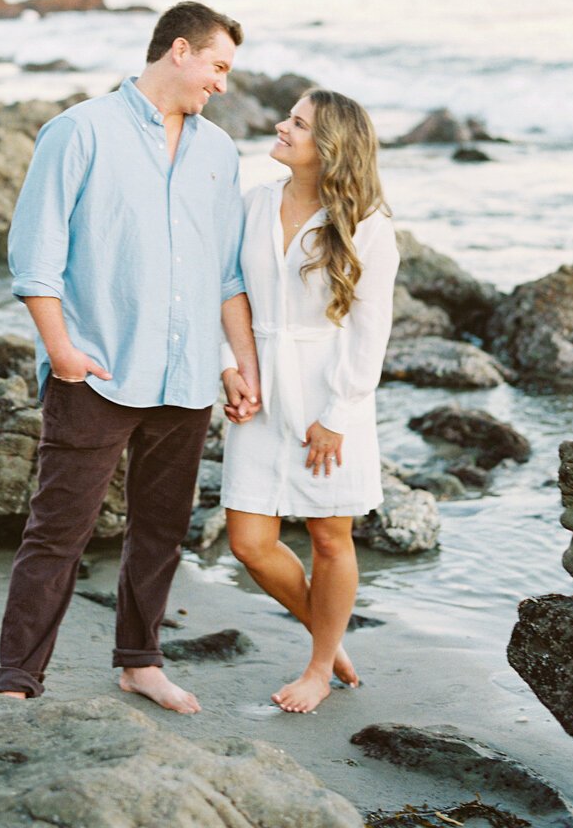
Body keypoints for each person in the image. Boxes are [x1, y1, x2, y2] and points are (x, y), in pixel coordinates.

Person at [0, 1, 261, 714]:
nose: (223, 85)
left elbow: (224, 274)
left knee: (162, 531)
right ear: (180, 50)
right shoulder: (80, 131)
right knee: (58, 534)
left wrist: (238, 365)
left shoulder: (218, 153)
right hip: (99, 372)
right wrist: (63, 353)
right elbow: (35, 255)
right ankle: (16, 681)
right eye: (218, 66)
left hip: (188, 380)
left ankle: (140, 662)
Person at [221, 87, 398, 714]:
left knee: (330, 536)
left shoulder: (368, 224)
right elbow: (229, 289)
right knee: (248, 540)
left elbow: (371, 327)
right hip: (262, 381)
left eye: (297, 123)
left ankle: (320, 667)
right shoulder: (253, 202)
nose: (280, 126)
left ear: (329, 148)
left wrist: (339, 414)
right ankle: (328, 634)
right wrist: (231, 368)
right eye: (289, 118)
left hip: (331, 388)